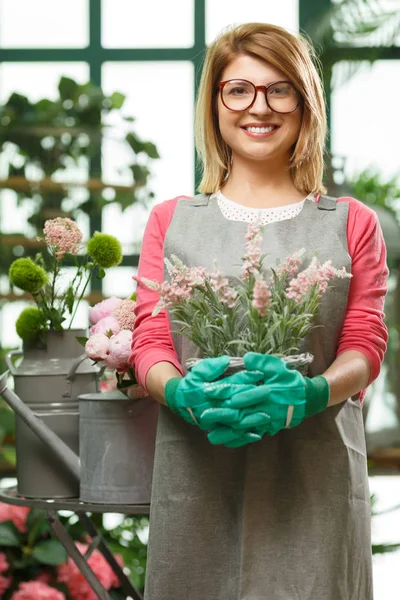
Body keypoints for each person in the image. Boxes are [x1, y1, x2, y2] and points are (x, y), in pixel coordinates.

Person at [130, 22, 388, 600]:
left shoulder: (351, 222)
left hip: (314, 477)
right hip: (200, 475)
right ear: (215, 103)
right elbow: (152, 342)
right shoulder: (171, 220)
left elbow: (365, 343)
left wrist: (312, 393)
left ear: (304, 102)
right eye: (239, 90)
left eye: (279, 89)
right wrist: (179, 393)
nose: (259, 107)